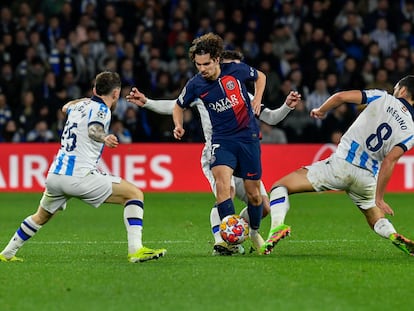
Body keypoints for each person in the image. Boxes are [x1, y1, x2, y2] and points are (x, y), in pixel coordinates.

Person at [126, 51, 300, 255]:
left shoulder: (245, 94)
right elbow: (176, 105)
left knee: (262, 206)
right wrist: (147, 102)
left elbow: (269, 117)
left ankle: (246, 232)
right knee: (226, 191)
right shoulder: (202, 88)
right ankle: (223, 241)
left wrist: (286, 107)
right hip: (216, 149)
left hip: (245, 145)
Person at [0, 71, 166, 263]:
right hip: (79, 176)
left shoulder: (78, 105)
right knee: (134, 194)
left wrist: (85, 99)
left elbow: (64, 107)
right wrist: (104, 136)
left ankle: (7, 253)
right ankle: (136, 250)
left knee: (41, 216)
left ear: (94, 90)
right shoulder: (102, 110)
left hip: (55, 175)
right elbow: (93, 129)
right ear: (116, 94)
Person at [262, 75, 414, 256]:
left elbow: (340, 97)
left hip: (341, 165)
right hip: (367, 179)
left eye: (396, 88)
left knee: (280, 186)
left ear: (402, 90)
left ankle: (276, 227)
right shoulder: (411, 130)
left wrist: (321, 110)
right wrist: (379, 197)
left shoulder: (382, 96)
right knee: (374, 216)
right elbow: (389, 161)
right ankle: (392, 234)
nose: (394, 91)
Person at [172, 32, 267, 253]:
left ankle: (253, 232)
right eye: (198, 64)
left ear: (216, 59)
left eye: (206, 63)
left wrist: (258, 99)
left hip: (248, 138)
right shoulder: (195, 84)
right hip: (222, 141)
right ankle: (230, 240)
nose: (202, 68)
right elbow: (178, 105)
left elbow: (261, 76)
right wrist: (178, 125)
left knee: (255, 196)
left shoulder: (237, 71)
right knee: (224, 187)